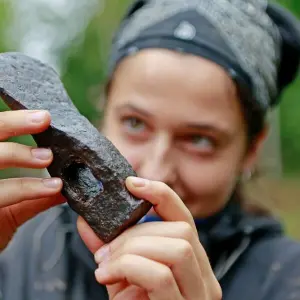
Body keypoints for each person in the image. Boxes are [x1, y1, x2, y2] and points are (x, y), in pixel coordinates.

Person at [1, 0, 300, 299]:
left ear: (252, 150)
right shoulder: (20, 250)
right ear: (101, 113)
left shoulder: (288, 283)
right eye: (135, 123)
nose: (156, 173)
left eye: (200, 140)